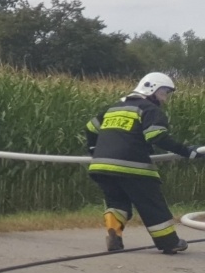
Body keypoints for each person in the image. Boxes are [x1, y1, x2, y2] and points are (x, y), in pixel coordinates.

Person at [85, 73, 201, 254]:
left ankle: (114, 233)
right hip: (132, 167)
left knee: (117, 203)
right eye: (164, 92)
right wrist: (187, 152)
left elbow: (90, 127)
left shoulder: (114, 108)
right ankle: (169, 242)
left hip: (101, 167)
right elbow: (156, 136)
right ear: (152, 89)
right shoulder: (149, 110)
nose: (164, 98)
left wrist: (94, 150)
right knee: (151, 204)